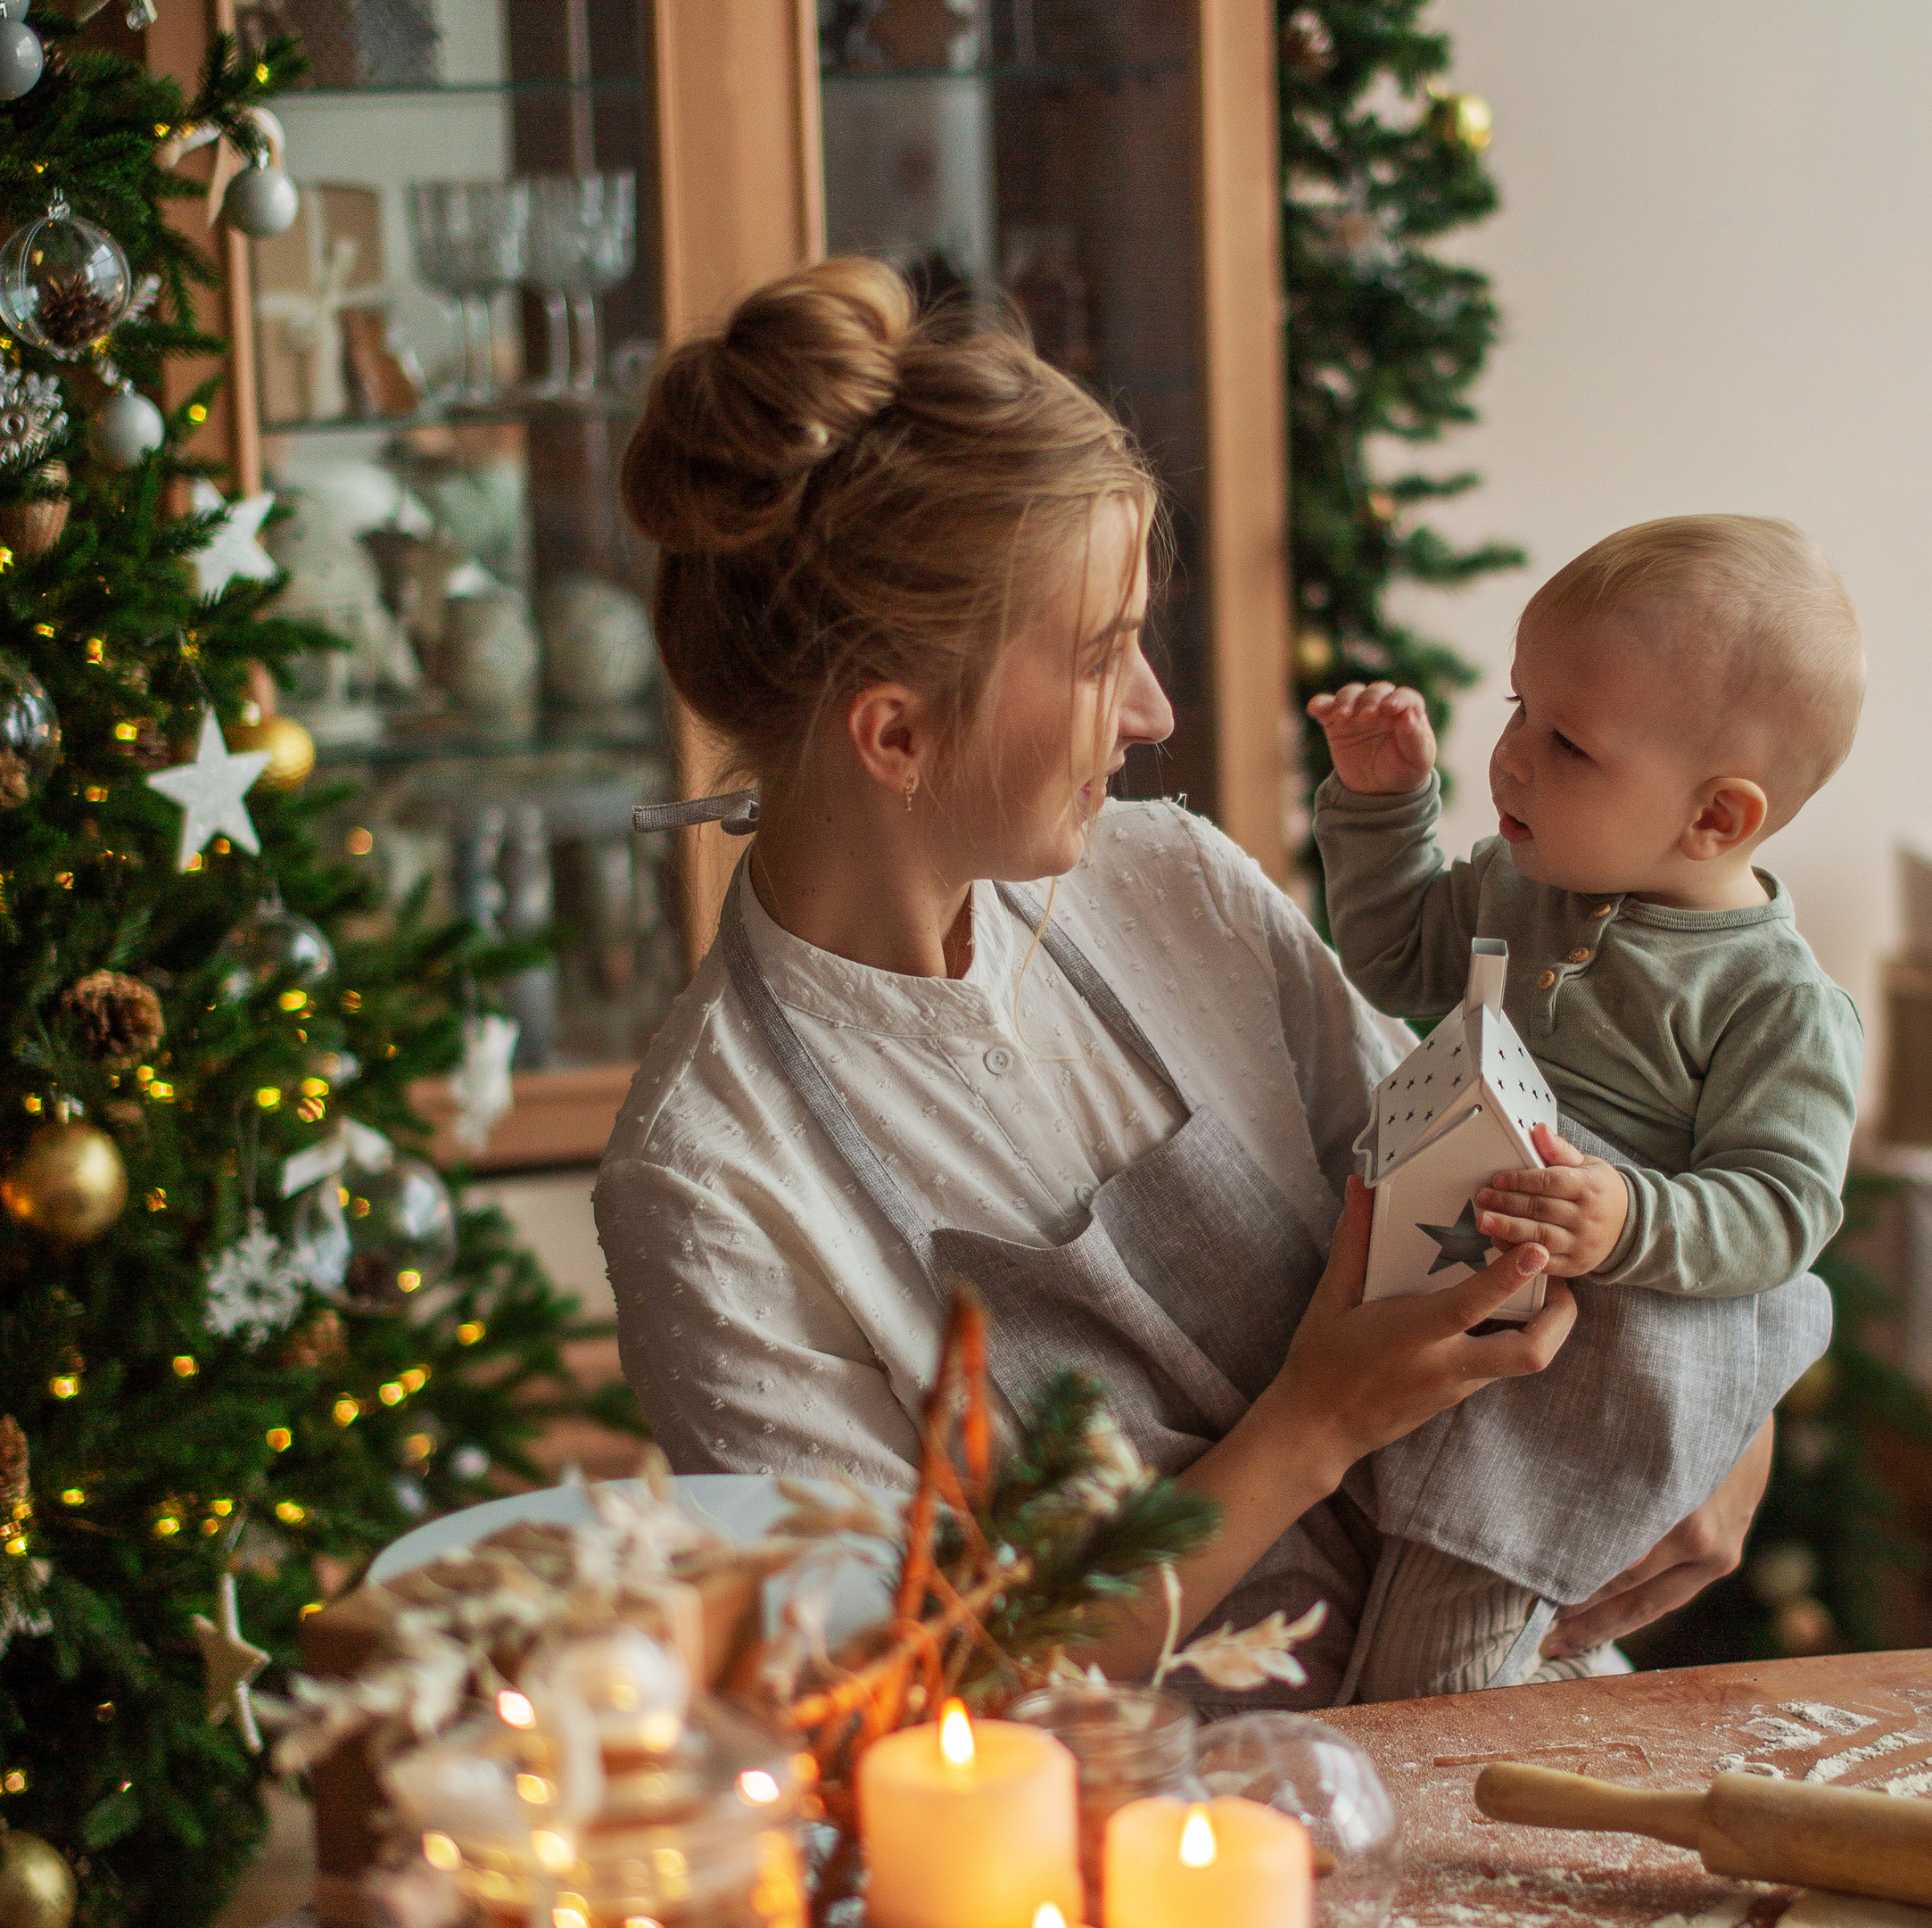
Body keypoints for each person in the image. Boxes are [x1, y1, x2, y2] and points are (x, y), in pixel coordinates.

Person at [594, 262, 1772, 1705]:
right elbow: (916, 1691)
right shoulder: (710, 1183)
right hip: (1137, 1852)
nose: (1155, 713)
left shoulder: (1177, 884)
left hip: (1498, 1715)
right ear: (896, 736)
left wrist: (1731, 1420)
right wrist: (1315, 1421)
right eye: (1100, 657)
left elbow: (1496, 1189)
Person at [1308, 514, 1866, 1296]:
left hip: (1626, 1327)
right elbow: (1394, 967)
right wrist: (1383, 811)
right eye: (1519, 704)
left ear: (1713, 819)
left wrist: (1630, 1220)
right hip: (1444, 1273)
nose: (1508, 754)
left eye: (1567, 744)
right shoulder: (1519, 879)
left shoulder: (1780, 1002)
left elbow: (1782, 1210)